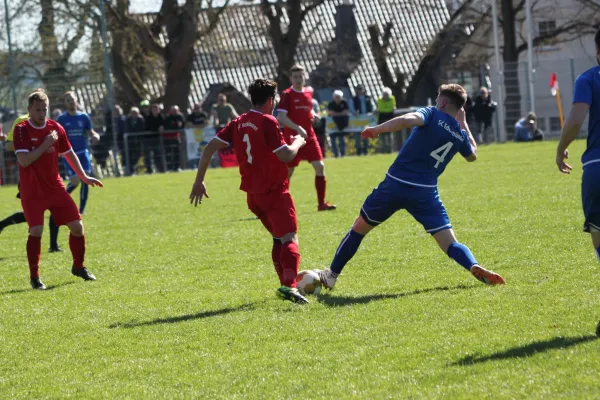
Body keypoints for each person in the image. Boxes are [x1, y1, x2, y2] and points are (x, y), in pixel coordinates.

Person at [313, 84, 505, 290]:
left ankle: (331, 275)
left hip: (395, 185)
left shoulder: (432, 114)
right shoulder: (459, 134)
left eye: (437, 98)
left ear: (442, 102)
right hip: (426, 193)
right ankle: (473, 265)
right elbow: (472, 155)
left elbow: (407, 119)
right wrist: (464, 124)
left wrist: (377, 129)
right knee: (450, 243)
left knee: (359, 228)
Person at [189, 78, 309, 304]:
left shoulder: (238, 122)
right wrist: (299, 143)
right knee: (290, 238)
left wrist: (199, 181)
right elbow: (285, 155)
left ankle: (285, 284)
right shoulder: (268, 121)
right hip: (274, 192)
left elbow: (209, 148)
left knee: (278, 239)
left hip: (253, 197)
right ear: (271, 101)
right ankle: (290, 286)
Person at [13, 89, 103, 290]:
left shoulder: (56, 128)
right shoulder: (21, 129)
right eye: (37, 110)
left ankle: (78, 266)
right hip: (32, 191)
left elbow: (69, 154)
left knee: (78, 227)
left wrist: (84, 176)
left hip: (55, 187)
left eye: (44, 109)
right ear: (29, 109)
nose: (41, 113)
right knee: (36, 230)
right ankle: (35, 277)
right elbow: (25, 161)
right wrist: (46, 144)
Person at [556, 27, 600, 267]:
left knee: (598, 230)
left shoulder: (589, 78)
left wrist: (561, 148)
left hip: (597, 165)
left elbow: (574, 120)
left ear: (597, 50)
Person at [277, 64, 336, 211]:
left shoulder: (309, 92)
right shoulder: (286, 95)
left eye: (300, 76)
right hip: (293, 139)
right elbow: (282, 118)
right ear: (291, 78)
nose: (298, 79)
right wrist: (297, 127)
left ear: (305, 76)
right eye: (295, 77)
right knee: (287, 174)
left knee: (320, 167)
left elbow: (308, 110)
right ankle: (279, 205)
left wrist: (313, 115)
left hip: (309, 137)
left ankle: (321, 204)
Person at [56, 91, 101, 215]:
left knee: (86, 178)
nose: (71, 102)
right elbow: (57, 135)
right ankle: (60, 202)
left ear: (76, 100)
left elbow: (90, 131)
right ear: (65, 103)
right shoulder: (62, 119)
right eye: (68, 100)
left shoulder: (84, 117)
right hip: (69, 154)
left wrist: (96, 135)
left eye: (72, 99)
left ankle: (81, 210)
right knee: (75, 181)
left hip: (83, 152)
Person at [352, 84, 375, 155]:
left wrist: (372, 112)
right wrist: (354, 112)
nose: (360, 91)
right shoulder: (354, 99)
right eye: (358, 89)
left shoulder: (368, 98)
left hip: (366, 119)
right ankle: (358, 151)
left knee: (366, 135)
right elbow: (351, 108)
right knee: (357, 137)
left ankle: (366, 151)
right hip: (358, 120)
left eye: (361, 89)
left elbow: (373, 106)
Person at [327, 90, 350, 157]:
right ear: (334, 97)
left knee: (342, 140)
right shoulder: (331, 103)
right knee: (333, 140)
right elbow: (331, 114)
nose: (337, 98)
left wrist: (336, 114)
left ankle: (343, 154)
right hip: (333, 125)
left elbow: (345, 112)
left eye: (339, 97)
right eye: (336, 97)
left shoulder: (344, 102)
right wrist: (340, 114)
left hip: (342, 124)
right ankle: (336, 154)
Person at [125, 107, 146, 174]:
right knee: (130, 155)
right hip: (130, 141)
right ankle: (130, 170)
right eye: (133, 113)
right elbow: (126, 129)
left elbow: (143, 128)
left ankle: (133, 167)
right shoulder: (128, 120)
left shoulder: (141, 119)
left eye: (135, 113)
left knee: (138, 154)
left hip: (138, 141)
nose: (134, 114)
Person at [376, 87, 396, 153]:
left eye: (387, 95)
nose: (386, 96)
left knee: (390, 136)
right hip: (381, 120)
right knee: (382, 137)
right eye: (384, 94)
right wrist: (389, 110)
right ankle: (384, 150)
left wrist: (389, 109)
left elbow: (393, 107)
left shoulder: (392, 99)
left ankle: (390, 150)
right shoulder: (379, 99)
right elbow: (381, 109)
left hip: (390, 120)